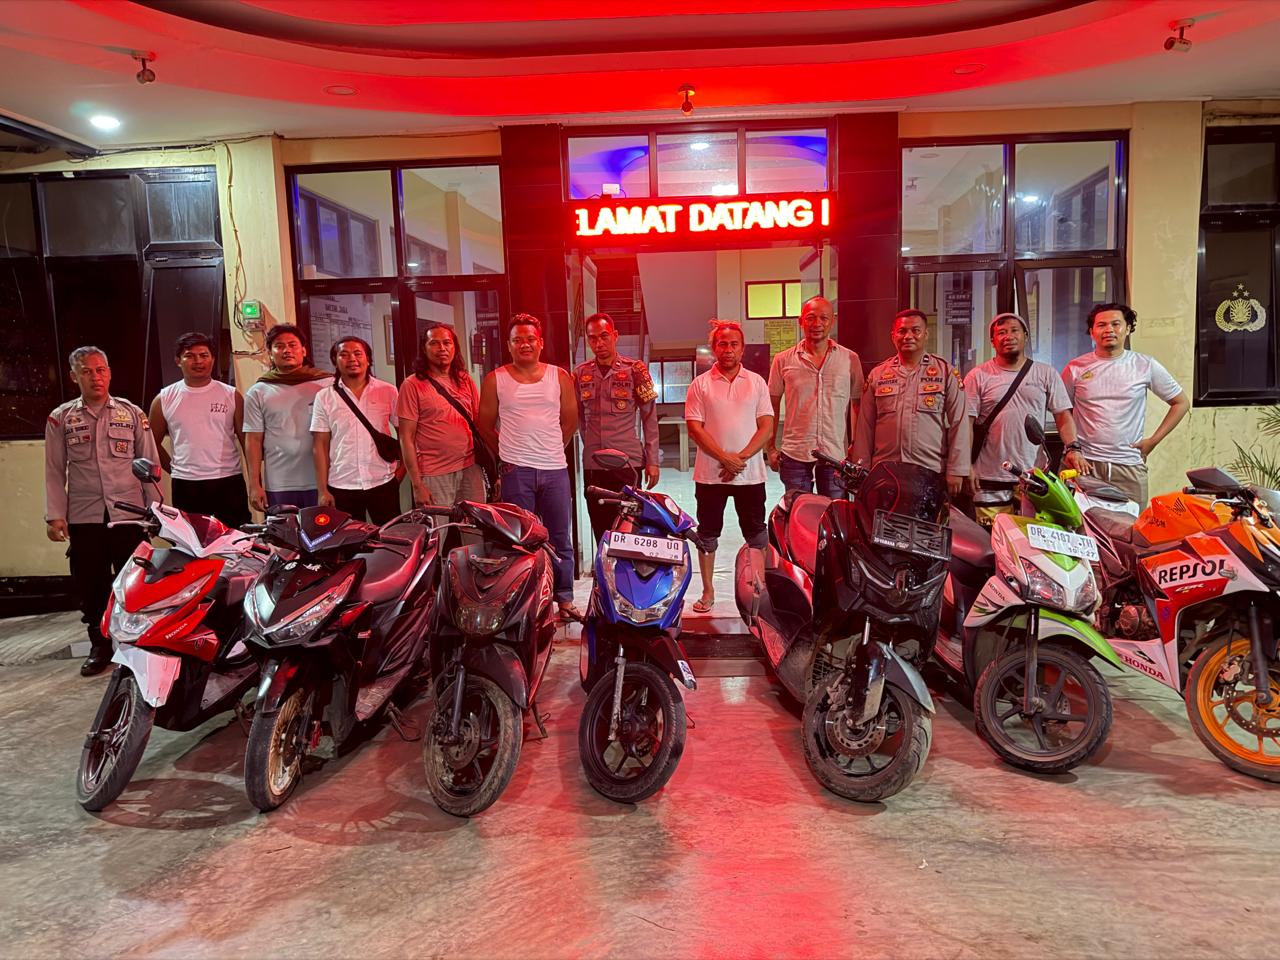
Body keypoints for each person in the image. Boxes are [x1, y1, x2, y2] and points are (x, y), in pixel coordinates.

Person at [44, 346, 159, 676]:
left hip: (128, 514)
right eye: (86, 371)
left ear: (109, 373)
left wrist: (156, 511)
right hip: (86, 516)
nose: (95, 377)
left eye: (100, 370)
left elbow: (149, 466)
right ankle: (100, 645)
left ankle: (135, 645)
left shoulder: (131, 413)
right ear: (74, 376)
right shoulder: (61, 418)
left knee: (134, 583)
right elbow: (54, 470)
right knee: (91, 585)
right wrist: (55, 515)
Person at [476, 314, 580, 620]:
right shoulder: (496, 379)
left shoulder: (559, 376)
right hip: (515, 471)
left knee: (559, 536)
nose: (525, 344)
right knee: (517, 539)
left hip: (554, 469)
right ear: (509, 345)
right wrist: (507, 451)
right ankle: (524, 599)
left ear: (541, 343)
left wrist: (551, 448)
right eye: (518, 340)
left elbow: (570, 421)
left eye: (530, 339)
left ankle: (564, 598)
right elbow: (484, 425)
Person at [684, 320, 774, 613]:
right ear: (714, 348)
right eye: (722, 344)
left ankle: (759, 588)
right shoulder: (700, 384)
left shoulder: (757, 382)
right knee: (708, 534)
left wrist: (740, 458)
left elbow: (766, 426)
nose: (728, 349)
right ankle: (708, 591)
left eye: (734, 344)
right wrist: (724, 458)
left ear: (742, 348)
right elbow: (695, 428)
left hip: (750, 475)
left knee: (756, 532)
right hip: (711, 475)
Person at [965, 312, 1088, 524]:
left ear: (1026, 336)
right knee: (992, 538)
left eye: (1014, 331)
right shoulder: (978, 376)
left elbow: (1063, 416)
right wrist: (965, 465)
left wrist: (1073, 448)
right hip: (988, 477)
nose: (1008, 336)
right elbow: (966, 424)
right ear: (992, 341)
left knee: (1032, 538)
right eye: (1001, 333)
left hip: (1034, 477)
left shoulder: (1046, 374)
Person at [1062, 302, 1190, 507]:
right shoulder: (1075, 368)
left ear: (1128, 328)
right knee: (1078, 525)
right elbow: (1062, 412)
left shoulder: (1144, 365)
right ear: (1092, 332)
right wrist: (1072, 449)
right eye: (1101, 325)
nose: (1109, 330)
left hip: (1128, 466)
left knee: (1131, 525)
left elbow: (1181, 402)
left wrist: (1153, 441)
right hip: (1084, 464)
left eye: (1116, 324)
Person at [852, 309, 970, 495]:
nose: (908, 336)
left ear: (926, 334)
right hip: (886, 472)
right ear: (893, 336)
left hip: (930, 470)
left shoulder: (945, 372)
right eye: (902, 331)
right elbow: (865, 426)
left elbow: (959, 422)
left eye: (916, 330)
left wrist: (956, 469)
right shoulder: (878, 374)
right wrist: (861, 468)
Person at [573, 312, 660, 545]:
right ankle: (603, 568)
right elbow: (580, 419)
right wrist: (591, 446)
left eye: (604, 336)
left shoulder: (635, 370)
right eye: (593, 338)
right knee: (600, 527)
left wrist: (652, 460)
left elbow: (649, 417)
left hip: (627, 463)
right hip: (594, 464)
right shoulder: (580, 374)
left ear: (615, 336)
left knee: (628, 528)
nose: (599, 343)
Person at [149, 332, 249, 529]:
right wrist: (174, 468)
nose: (198, 361)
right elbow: (151, 443)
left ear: (213, 359)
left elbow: (247, 441)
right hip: (187, 485)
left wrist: (255, 482)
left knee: (237, 539)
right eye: (190, 356)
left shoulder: (231, 395)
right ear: (178, 360)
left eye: (204, 355)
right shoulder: (164, 398)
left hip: (228, 481)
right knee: (192, 542)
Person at [765, 295, 863, 498]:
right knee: (798, 511)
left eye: (824, 318)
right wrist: (770, 448)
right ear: (801, 321)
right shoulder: (783, 360)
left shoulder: (850, 359)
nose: (817, 324)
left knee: (835, 512)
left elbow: (858, 405)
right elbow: (771, 405)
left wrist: (856, 447)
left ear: (832, 321)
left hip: (835, 453)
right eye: (810, 318)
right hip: (795, 454)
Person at [310, 336, 402, 524]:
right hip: (341, 484)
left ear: (368, 359)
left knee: (390, 538)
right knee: (348, 540)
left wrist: (401, 473)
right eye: (344, 354)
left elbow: (405, 435)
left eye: (358, 353)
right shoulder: (325, 397)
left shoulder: (388, 391)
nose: (352, 359)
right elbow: (320, 445)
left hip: (383, 481)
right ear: (335, 361)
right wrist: (323, 490)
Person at [398, 322, 487, 506]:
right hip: (434, 474)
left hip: (471, 467)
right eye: (434, 343)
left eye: (447, 343)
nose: (442, 348)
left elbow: (479, 425)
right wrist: (417, 484)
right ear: (424, 349)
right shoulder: (412, 384)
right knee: (438, 524)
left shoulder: (465, 380)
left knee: (475, 523)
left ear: (454, 347)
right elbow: (406, 437)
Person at [244, 324, 330, 511]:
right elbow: (253, 440)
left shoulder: (327, 385)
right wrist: (254, 484)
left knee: (322, 530)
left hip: (322, 482)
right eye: (279, 346)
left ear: (303, 350)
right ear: (270, 353)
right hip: (279, 483)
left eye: (292, 345)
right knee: (282, 530)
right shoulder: (258, 391)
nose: (287, 350)